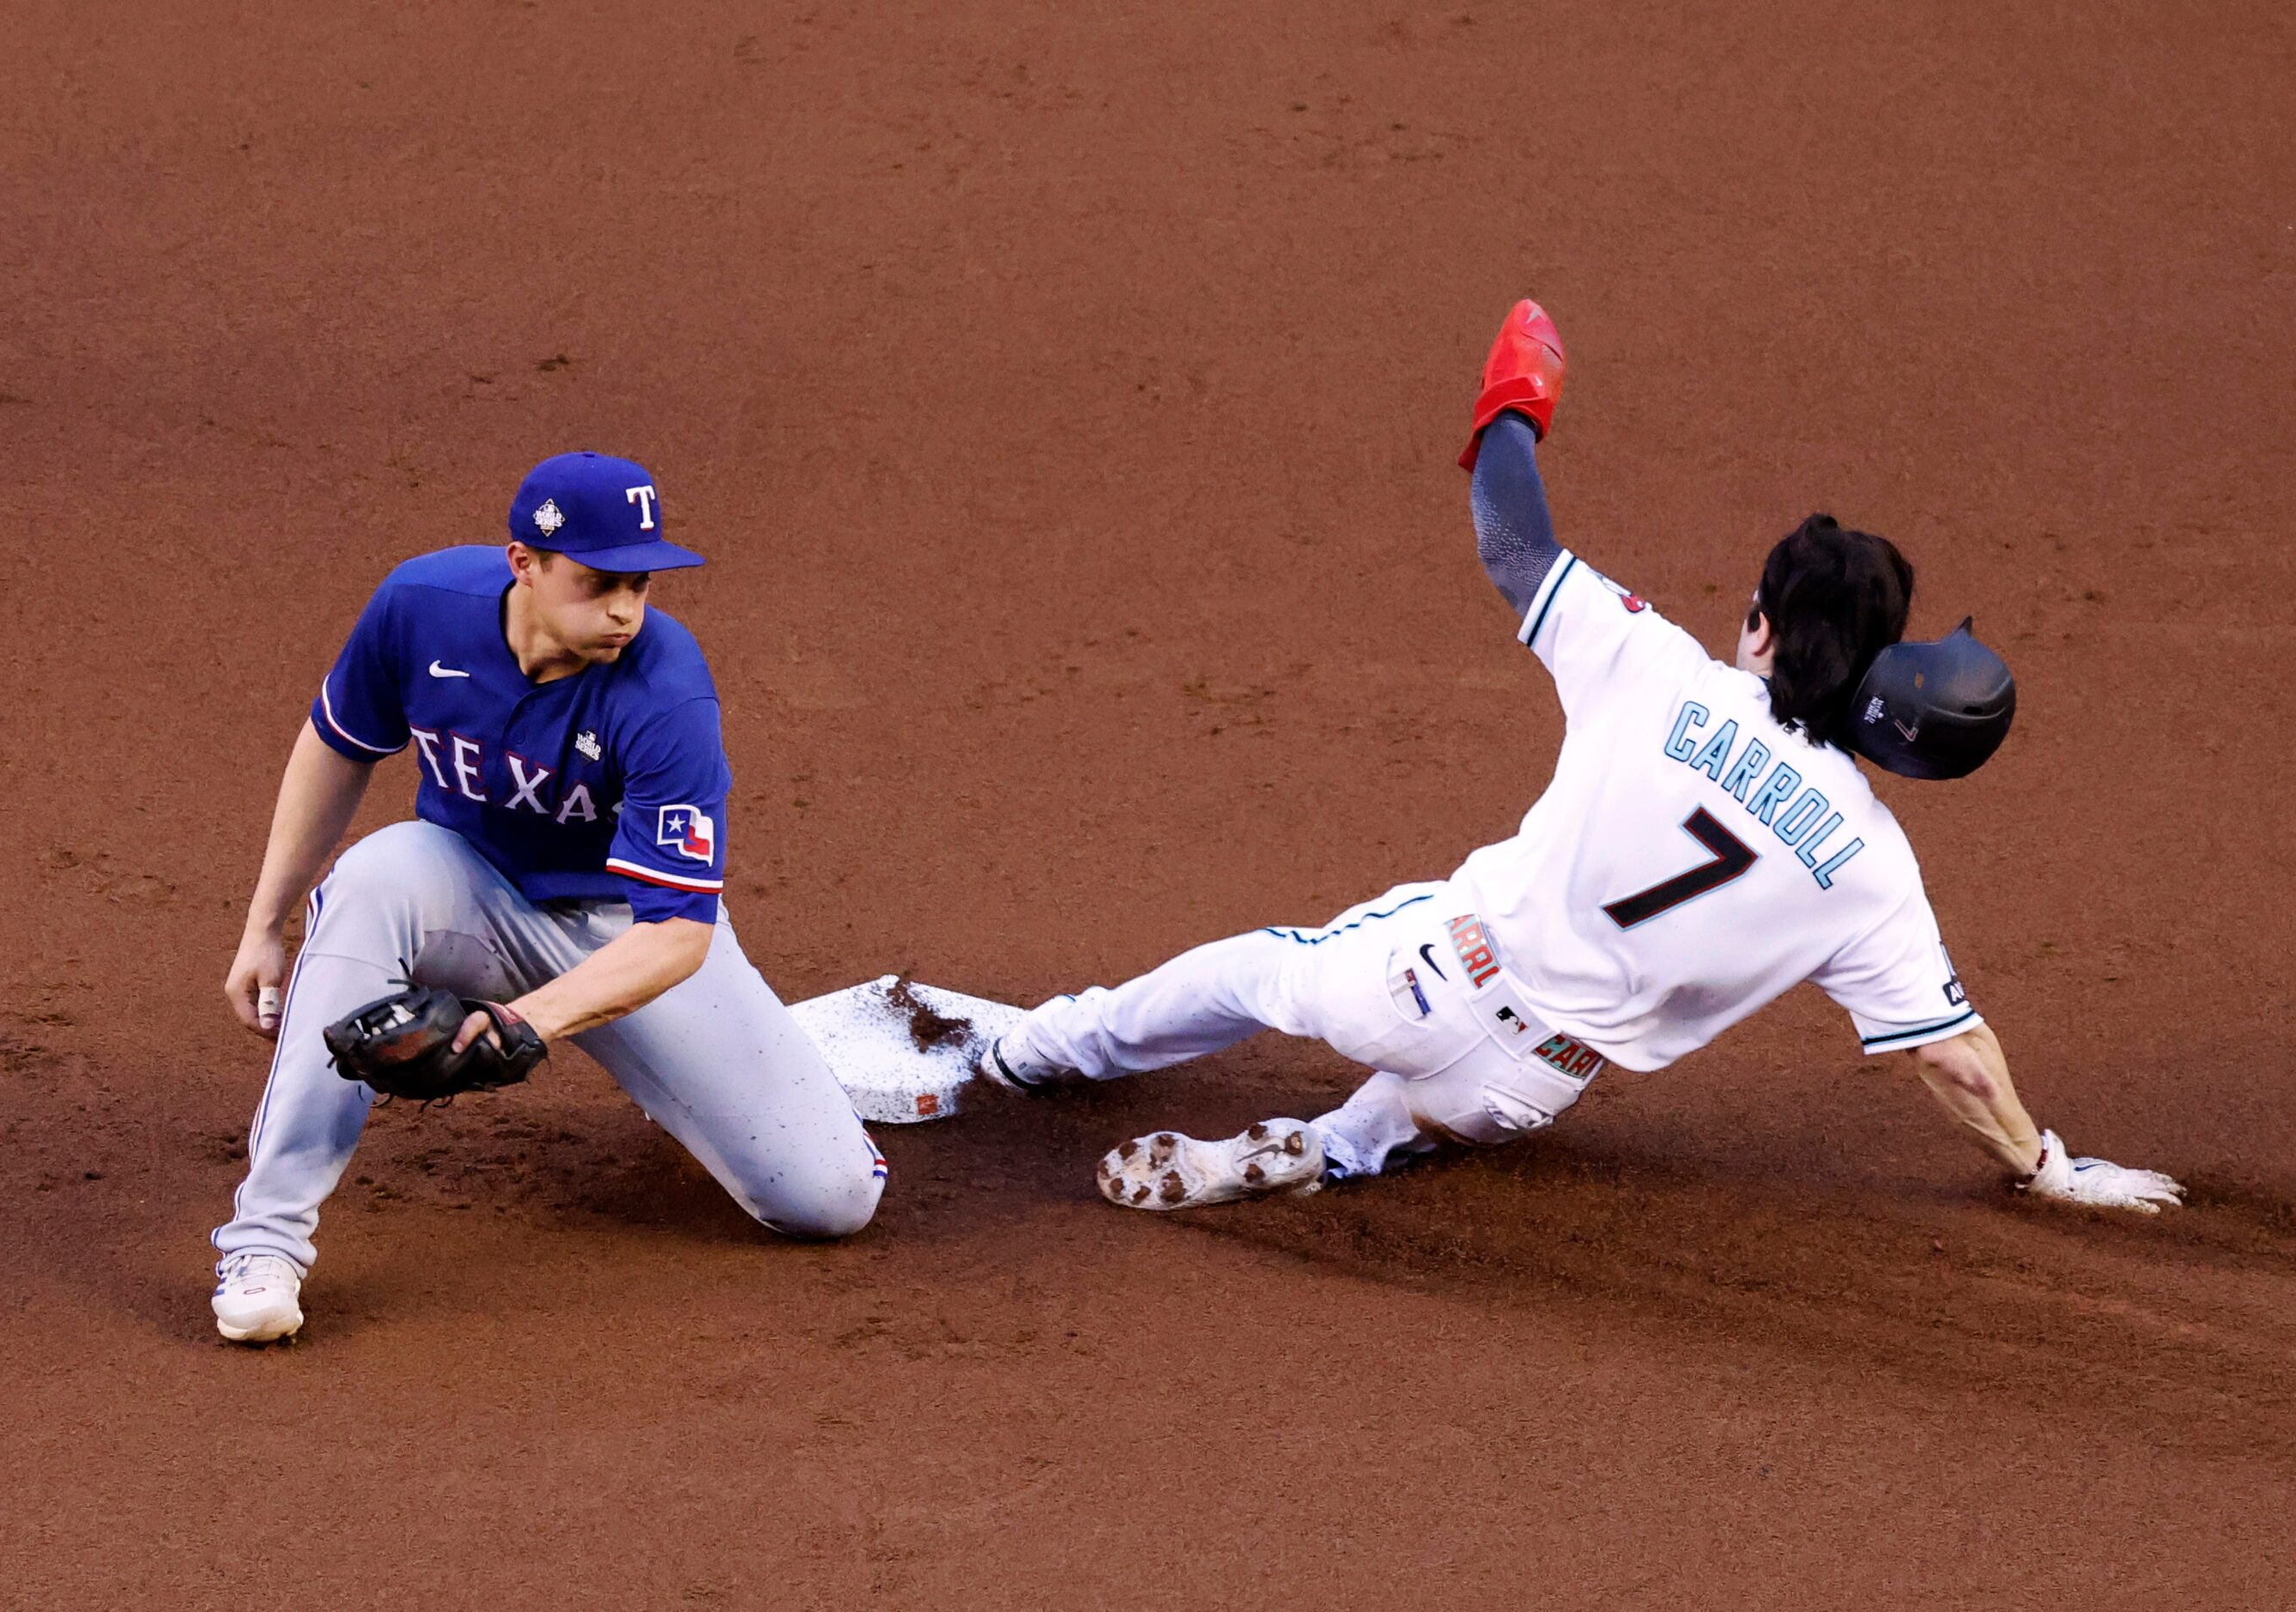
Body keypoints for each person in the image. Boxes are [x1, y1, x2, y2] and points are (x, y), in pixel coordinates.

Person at [979, 302, 2182, 1220]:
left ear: (1760, 622)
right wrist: (2047, 1166)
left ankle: (1034, 1049)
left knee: (1260, 970)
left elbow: (1515, 542)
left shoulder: (1655, 668)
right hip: (1523, 1089)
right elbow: (1955, 1060)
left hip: (1417, 976)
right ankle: (1325, 1146)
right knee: (1419, 1100)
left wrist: (1511, 410)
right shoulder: (1870, 865)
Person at [209, 451, 884, 1342]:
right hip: (462, 891)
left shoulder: (666, 688)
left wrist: (527, 1021)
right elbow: (338, 745)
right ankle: (265, 1242)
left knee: (829, 1199)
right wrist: (263, 926)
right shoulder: (421, 607)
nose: (625, 611)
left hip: (626, 934)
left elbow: (678, 935)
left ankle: (685, 1070)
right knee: (375, 876)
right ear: (522, 562)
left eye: (640, 584)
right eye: (599, 581)